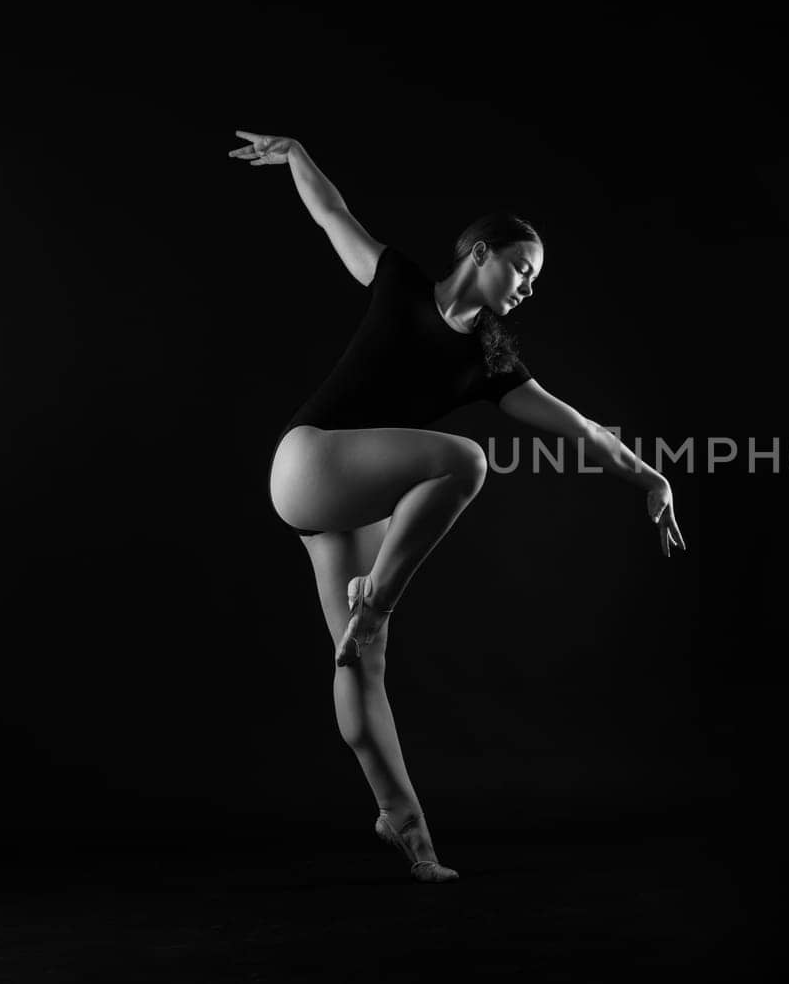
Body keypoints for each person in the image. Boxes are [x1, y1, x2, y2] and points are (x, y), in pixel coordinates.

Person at [233, 130, 688, 882]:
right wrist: (297, 155)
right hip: (307, 460)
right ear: (481, 252)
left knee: (360, 665)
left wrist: (653, 480)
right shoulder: (400, 283)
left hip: (349, 506)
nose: (528, 287)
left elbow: (577, 426)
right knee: (464, 460)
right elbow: (332, 216)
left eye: (535, 280)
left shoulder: (493, 360)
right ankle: (375, 601)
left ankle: (408, 832)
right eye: (522, 267)